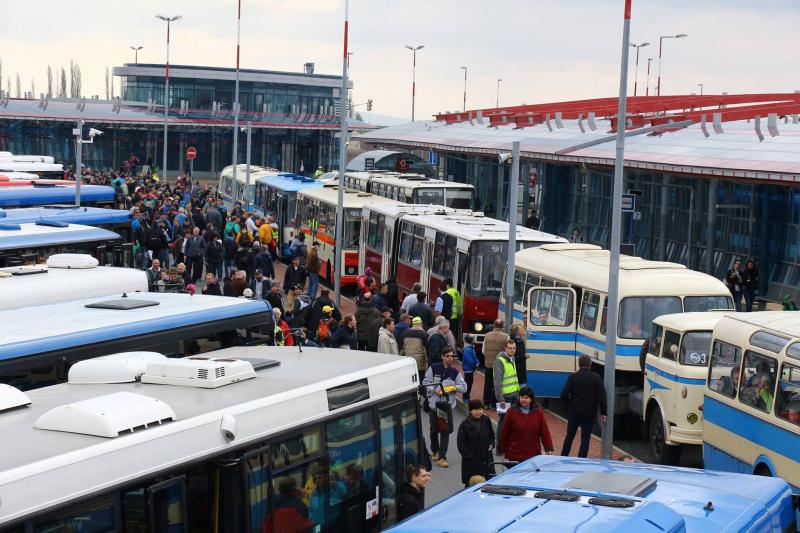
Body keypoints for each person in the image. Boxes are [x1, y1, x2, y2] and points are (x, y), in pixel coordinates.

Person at [422, 347, 467, 468]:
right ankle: (435, 451)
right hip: (434, 405)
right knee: (433, 430)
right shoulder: (434, 368)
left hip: (446, 407)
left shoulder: (455, 373)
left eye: (451, 356)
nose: (449, 358)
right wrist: (434, 390)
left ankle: (442, 457)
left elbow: (464, 387)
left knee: (445, 431)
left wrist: (453, 388)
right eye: (447, 356)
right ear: (442, 357)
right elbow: (425, 383)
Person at [560, 354, 607, 458]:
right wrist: (604, 412)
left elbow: (563, 394)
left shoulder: (573, 377)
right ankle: (581, 459)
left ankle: (563, 456)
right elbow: (602, 396)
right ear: (590, 364)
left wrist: (569, 405)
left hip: (574, 412)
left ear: (579, 364)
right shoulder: (596, 378)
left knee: (569, 436)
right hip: (589, 413)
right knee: (585, 438)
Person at [498, 387, 554, 462]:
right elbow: (504, 431)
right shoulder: (511, 412)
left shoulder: (538, 413)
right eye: (522, 397)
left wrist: (548, 448)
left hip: (533, 454)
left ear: (531, 399)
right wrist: (501, 450)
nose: (523, 399)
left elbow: (544, 432)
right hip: (515, 454)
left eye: (526, 397)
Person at [456, 399, 495, 488]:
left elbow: (491, 435)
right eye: (475, 409)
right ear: (470, 411)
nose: (478, 411)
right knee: (472, 487)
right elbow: (461, 444)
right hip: (472, 462)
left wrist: (491, 444)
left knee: (489, 485)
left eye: (480, 409)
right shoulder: (465, 424)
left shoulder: (486, 420)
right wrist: (470, 457)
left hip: (487, 459)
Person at [494, 338, 520, 443]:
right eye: (510, 348)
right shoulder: (500, 361)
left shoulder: (511, 359)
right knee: (503, 421)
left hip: (514, 395)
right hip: (505, 397)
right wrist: (500, 398)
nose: (512, 350)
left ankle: (508, 442)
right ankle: (500, 445)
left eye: (514, 348)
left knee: (512, 421)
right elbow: (498, 382)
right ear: (505, 348)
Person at [482, 320, 507, 409]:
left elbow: (483, 350)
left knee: (487, 384)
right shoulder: (506, 337)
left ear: (494, 325)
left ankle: (486, 403)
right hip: (499, 365)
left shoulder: (487, 335)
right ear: (502, 326)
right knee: (497, 384)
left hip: (488, 363)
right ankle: (494, 404)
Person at [401, 317, 429, 382]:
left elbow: (401, 348)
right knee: (420, 380)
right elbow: (426, 350)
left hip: (408, 361)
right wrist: (427, 363)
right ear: (421, 323)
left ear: (413, 324)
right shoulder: (424, 334)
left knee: (410, 380)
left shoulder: (405, 333)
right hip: (420, 363)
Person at [461, 334, 479, 402]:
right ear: (471, 340)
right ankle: (465, 397)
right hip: (468, 370)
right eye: (473, 338)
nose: (474, 339)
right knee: (468, 384)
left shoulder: (471, 348)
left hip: (470, 370)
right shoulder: (468, 349)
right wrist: (475, 365)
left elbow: (475, 357)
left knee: (469, 383)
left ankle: (467, 397)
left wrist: (477, 362)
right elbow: (470, 360)